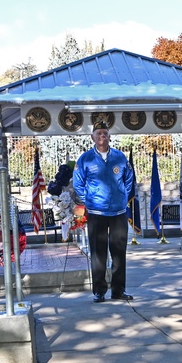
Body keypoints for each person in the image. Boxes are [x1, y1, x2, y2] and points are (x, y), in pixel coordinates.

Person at [73, 120, 136, 303]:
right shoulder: (85, 159)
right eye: (99, 133)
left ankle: (118, 290)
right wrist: (90, 200)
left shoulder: (119, 157)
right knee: (98, 253)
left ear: (109, 137)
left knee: (119, 252)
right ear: (93, 137)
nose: (102, 136)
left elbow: (129, 179)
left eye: (105, 133)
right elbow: (78, 184)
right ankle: (99, 291)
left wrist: (122, 197)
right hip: (96, 213)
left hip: (118, 213)